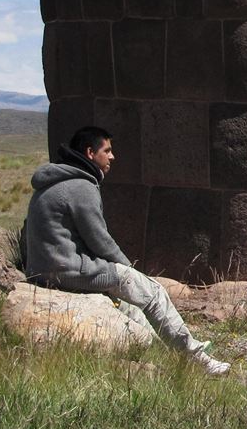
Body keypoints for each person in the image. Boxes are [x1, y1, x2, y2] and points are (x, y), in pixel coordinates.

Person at [23, 126, 230, 375]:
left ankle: (173, 359)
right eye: (107, 150)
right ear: (90, 152)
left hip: (44, 270)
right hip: (68, 271)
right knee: (152, 291)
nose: (112, 157)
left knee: (132, 308)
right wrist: (128, 270)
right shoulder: (81, 186)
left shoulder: (54, 183)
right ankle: (197, 356)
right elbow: (100, 240)